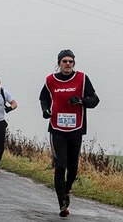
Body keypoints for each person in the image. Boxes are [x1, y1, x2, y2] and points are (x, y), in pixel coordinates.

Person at [40, 49, 100, 217]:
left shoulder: (82, 78)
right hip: (57, 129)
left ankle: (66, 190)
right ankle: (62, 204)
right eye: (64, 61)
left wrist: (82, 101)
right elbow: (43, 98)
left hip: (76, 129)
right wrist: (45, 110)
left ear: (74, 64)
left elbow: (95, 100)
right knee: (60, 166)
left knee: (72, 168)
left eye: (70, 61)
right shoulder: (50, 80)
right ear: (59, 63)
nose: (67, 64)